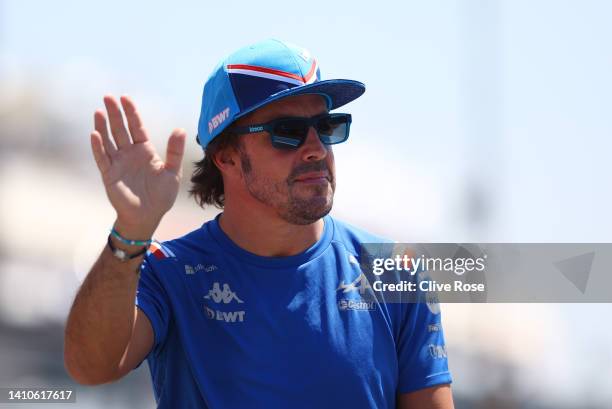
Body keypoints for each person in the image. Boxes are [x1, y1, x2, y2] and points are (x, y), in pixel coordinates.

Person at [64, 39, 454, 409]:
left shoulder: (396, 272)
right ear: (226, 156)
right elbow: (91, 366)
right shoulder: (169, 272)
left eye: (327, 126)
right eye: (288, 132)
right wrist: (131, 230)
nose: (316, 148)